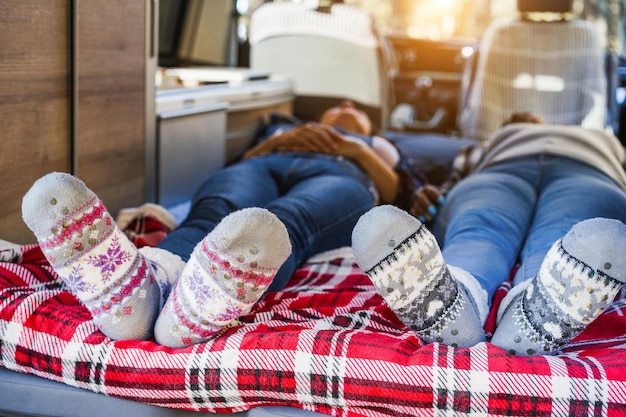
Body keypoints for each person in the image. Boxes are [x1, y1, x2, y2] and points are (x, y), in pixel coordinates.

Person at [21, 101, 424, 349]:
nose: (346, 103)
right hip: (263, 163)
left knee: (277, 225)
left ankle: (202, 301)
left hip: (341, 175)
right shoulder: (283, 129)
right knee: (218, 209)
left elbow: (396, 191)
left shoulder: (379, 147)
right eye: (336, 105)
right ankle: (150, 290)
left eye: (356, 109)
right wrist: (273, 144)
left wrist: (353, 148)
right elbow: (242, 162)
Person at [351, 113, 626, 356]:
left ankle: (504, 307)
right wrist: (430, 197)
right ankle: (463, 304)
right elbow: (451, 182)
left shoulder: (603, 135)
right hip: (507, 172)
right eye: (517, 122)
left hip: (588, 173)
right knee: (483, 226)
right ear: (506, 127)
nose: (528, 119)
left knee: (489, 228)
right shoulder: (484, 146)